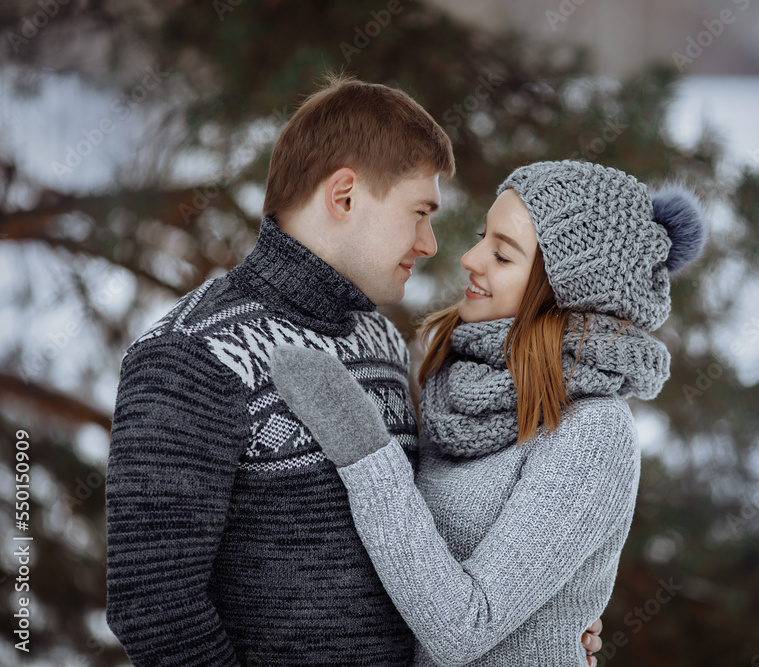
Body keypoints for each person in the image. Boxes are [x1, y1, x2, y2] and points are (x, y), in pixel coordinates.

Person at [105, 74, 604, 666]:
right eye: (420, 212)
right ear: (344, 196)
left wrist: (543, 626)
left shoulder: (380, 341)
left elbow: (421, 543)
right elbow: (153, 604)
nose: (430, 243)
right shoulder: (192, 356)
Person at [270, 160, 707, 665]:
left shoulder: (593, 432)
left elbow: (464, 628)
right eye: (483, 236)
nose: (470, 257)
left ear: (561, 294)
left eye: (502, 255)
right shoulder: (453, 381)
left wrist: (366, 452)